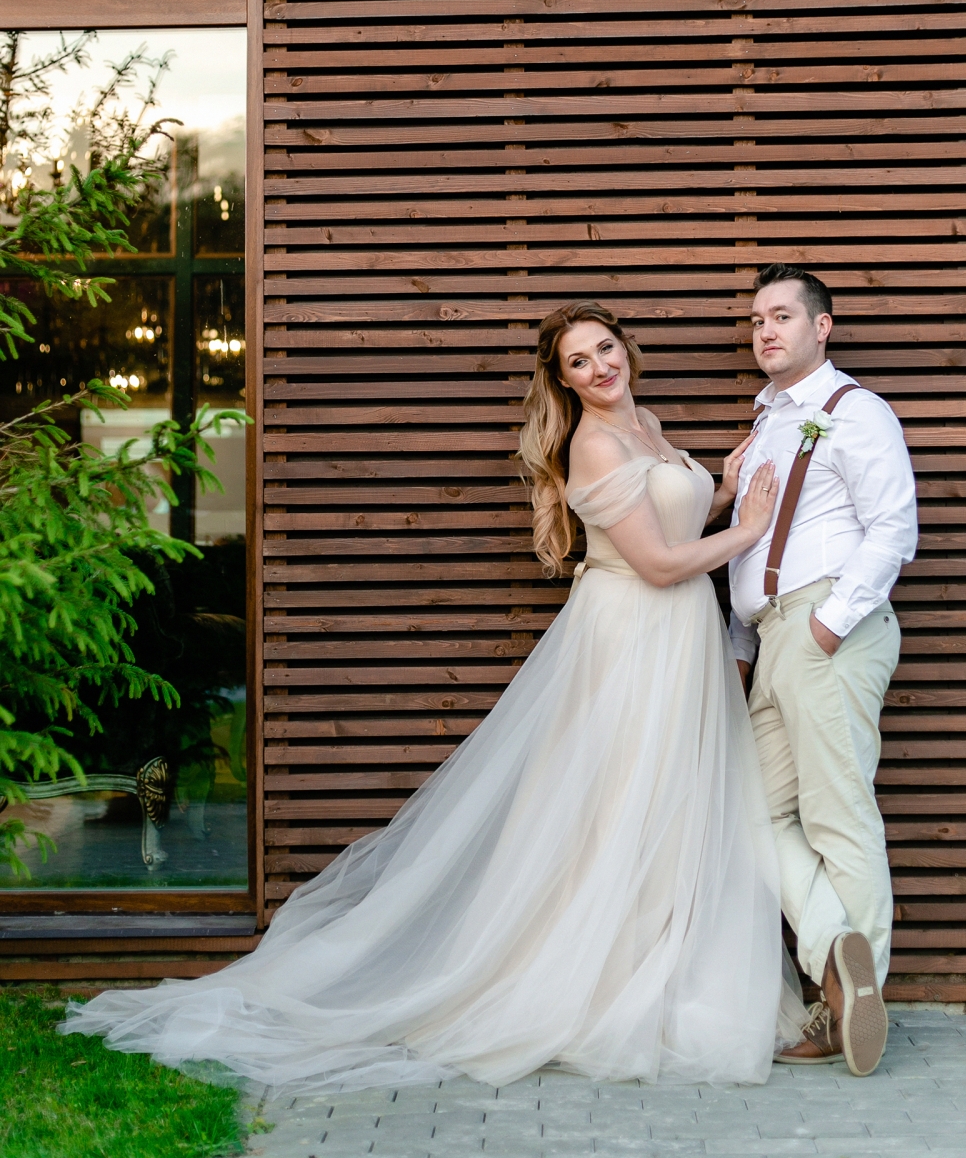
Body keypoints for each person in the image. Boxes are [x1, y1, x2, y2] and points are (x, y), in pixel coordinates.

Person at [62, 300, 805, 1094]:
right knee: (618, 805)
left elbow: (667, 528)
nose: (599, 368)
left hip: (679, 638)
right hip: (632, 639)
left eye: (604, 348)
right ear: (562, 381)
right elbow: (655, 566)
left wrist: (721, 493)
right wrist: (750, 528)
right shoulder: (592, 443)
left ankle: (660, 972)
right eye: (578, 362)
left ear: (626, 348)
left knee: (670, 801)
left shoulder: (647, 424)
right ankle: (595, 985)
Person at [728, 264, 917, 1078]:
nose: (765, 331)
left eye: (782, 316)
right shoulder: (767, 422)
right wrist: (745, 648)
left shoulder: (855, 410)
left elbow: (893, 526)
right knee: (753, 816)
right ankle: (838, 955)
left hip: (825, 629)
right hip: (773, 638)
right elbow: (749, 545)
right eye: (756, 320)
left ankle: (840, 1009)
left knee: (838, 815)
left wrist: (829, 625)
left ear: (821, 326)